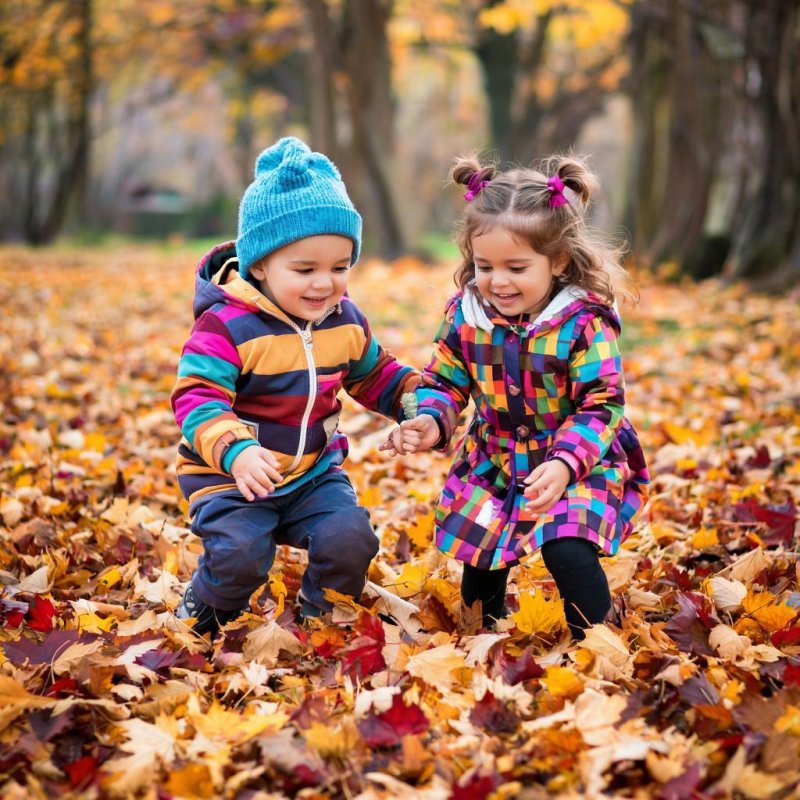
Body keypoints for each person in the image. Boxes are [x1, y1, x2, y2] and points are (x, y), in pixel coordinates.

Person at [380, 154, 650, 639]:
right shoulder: (467, 316)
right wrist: (431, 420)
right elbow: (445, 381)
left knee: (566, 546)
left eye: (516, 267)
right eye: (484, 266)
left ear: (559, 261)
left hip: (575, 458)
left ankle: (597, 640)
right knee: (481, 550)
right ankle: (481, 637)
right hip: (496, 458)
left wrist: (567, 462)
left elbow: (602, 402)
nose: (498, 281)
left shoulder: (582, 322)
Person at [172, 136, 418, 637]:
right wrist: (234, 451)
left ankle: (321, 619)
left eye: (339, 267)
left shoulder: (344, 321)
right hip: (234, 477)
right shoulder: (227, 326)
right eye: (304, 269)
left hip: (312, 474)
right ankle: (205, 611)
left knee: (350, 538)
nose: (323, 284)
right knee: (241, 556)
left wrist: (419, 404)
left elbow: (374, 374)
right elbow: (197, 398)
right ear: (260, 264)